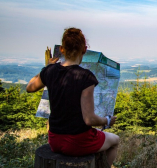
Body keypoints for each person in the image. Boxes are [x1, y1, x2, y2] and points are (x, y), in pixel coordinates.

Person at [26, 27, 119, 166]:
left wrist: (46, 68)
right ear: (84, 49)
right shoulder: (86, 77)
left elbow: (30, 87)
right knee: (115, 140)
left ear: (62, 49)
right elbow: (89, 119)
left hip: (55, 140)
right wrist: (107, 121)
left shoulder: (50, 71)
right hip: (78, 142)